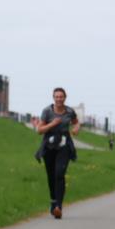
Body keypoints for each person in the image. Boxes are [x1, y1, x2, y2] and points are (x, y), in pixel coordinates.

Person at [35, 87, 80, 219]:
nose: (59, 99)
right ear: (53, 98)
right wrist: (52, 124)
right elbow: (39, 130)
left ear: (65, 98)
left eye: (61, 96)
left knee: (59, 174)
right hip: (49, 146)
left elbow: (76, 123)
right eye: (57, 96)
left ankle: (58, 207)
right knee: (51, 176)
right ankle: (53, 201)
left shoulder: (69, 111)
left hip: (64, 146)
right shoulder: (47, 111)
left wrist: (76, 129)